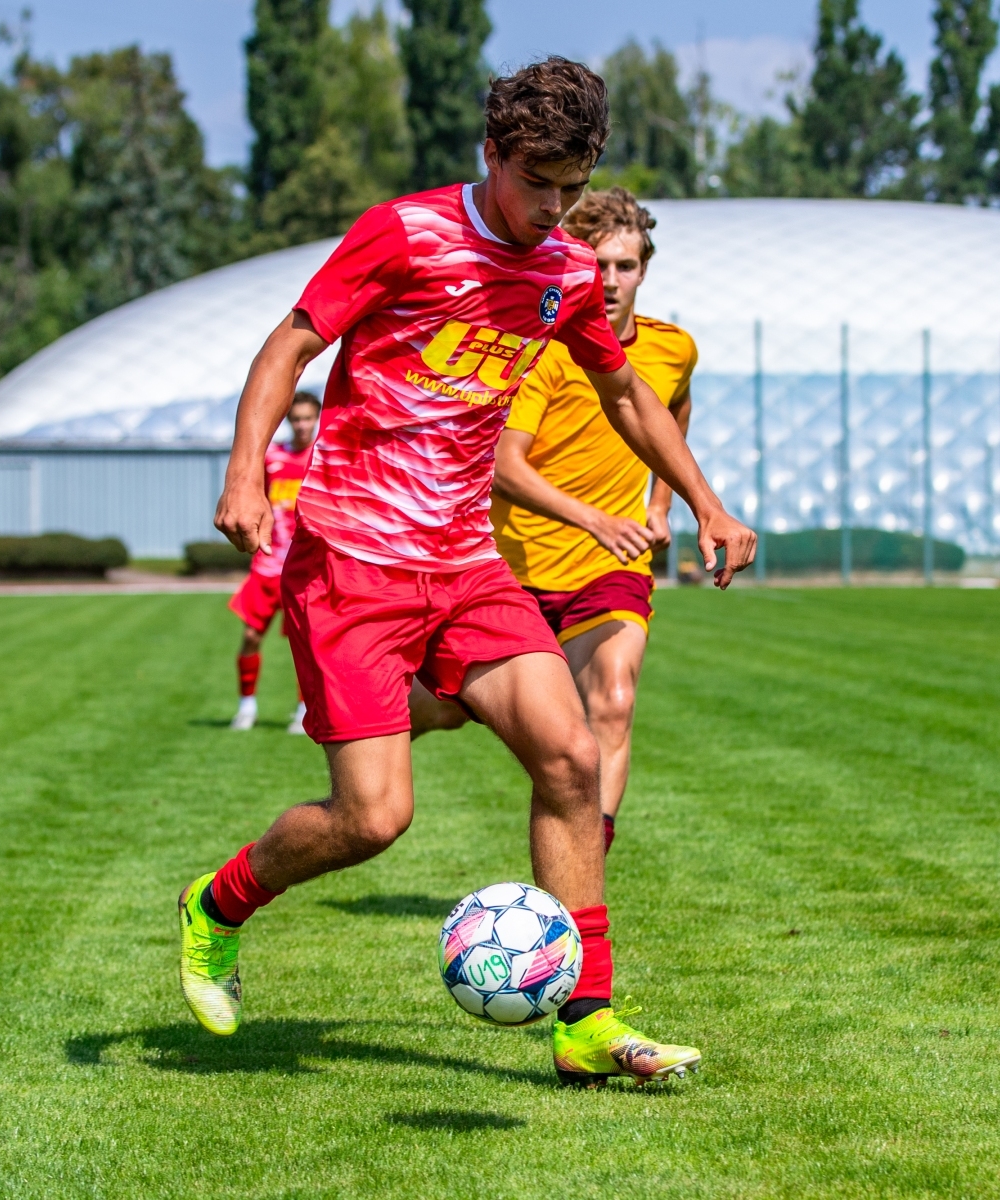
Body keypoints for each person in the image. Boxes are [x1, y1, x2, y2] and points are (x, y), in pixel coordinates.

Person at [176, 58, 756, 1087]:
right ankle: (216, 905)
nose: (554, 208)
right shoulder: (403, 235)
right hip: (352, 564)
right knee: (372, 819)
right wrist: (244, 473)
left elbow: (626, 394)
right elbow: (289, 347)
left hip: (466, 562)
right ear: (492, 154)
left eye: (573, 187)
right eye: (537, 183)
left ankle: (585, 1020)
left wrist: (705, 501)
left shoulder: (563, 269)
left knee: (572, 757)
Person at [409, 189, 691, 856]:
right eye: (598, 265)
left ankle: (584, 870)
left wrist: (659, 505)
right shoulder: (544, 351)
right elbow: (504, 465)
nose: (611, 281)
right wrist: (594, 518)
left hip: (608, 570)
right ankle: (373, 724)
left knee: (613, 701)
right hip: (515, 568)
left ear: (644, 269)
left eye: (626, 266)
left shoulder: (674, 349)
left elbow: (673, 410)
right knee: (442, 708)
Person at [227, 392, 320, 733]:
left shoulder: (323, 457)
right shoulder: (272, 457)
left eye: (307, 418)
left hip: (306, 568)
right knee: (251, 635)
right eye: (296, 419)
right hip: (268, 564)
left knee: (306, 645)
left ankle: (303, 711)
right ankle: (246, 706)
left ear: (316, 419)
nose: (301, 425)